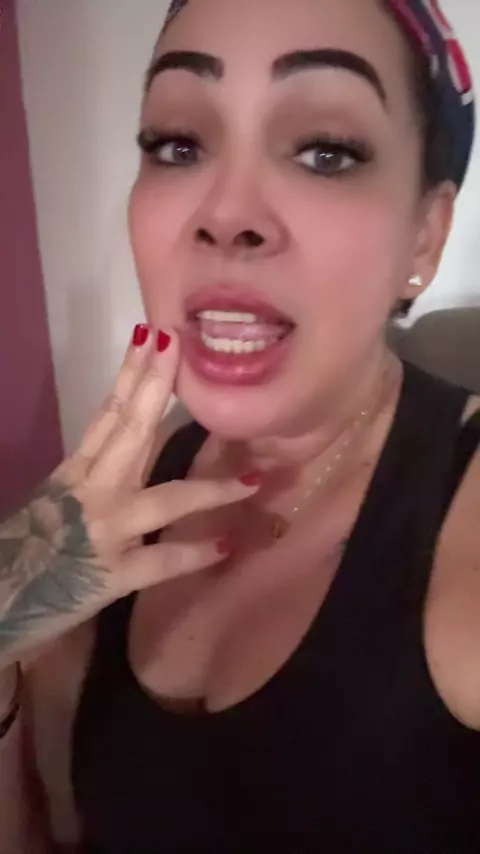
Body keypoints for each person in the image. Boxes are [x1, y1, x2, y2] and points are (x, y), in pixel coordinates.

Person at [0, 0, 479, 850]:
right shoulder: (112, 502)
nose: (225, 213)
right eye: (178, 143)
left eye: (325, 150)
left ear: (425, 236)